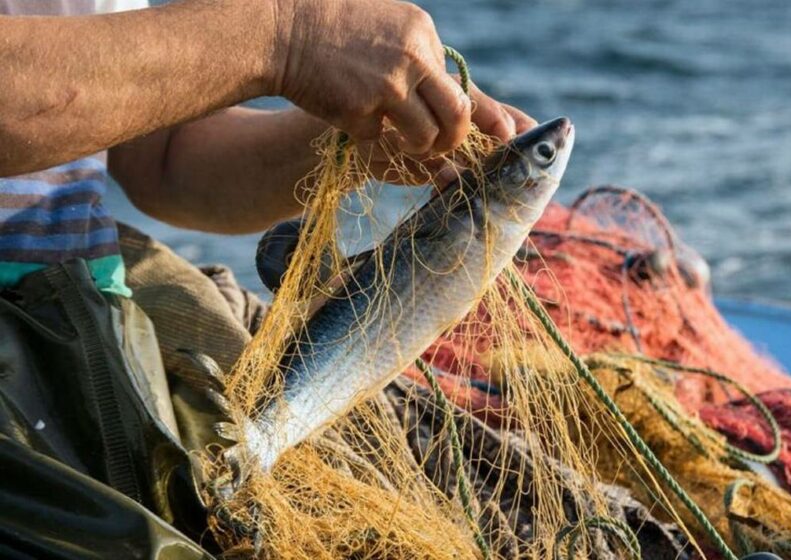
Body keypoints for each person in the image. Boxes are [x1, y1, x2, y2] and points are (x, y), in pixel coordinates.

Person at [0, 1, 536, 559]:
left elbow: (163, 158)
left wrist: (355, 144)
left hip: (86, 328)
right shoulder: (289, 35)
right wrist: (289, 37)